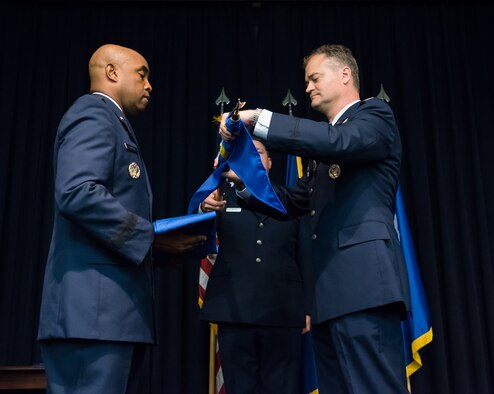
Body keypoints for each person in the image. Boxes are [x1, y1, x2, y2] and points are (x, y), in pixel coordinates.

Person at [219, 44, 411, 393]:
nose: (307, 87)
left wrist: (259, 118)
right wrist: (243, 182)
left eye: (314, 78)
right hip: (328, 299)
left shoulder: (375, 116)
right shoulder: (325, 154)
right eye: (306, 81)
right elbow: (291, 201)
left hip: (364, 289)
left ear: (344, 74)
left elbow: (338, 141)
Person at [37, 44, 205, 393]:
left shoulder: (114, 124)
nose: (150, 86)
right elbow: (77, 192)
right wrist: (150, 238)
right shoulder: (93, 115)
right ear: (112, 73)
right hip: (92, 317)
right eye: (142, 75)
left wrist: (160, 249)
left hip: (112, 318)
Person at [198, 137, 311, 393]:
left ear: (269, 163)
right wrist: (205, 210)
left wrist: (308, 307)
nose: (253, 157)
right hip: (234, 310)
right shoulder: (219, 197)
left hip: (283, 312)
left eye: (258, 152)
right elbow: (197, 237)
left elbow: (305, 254)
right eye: (247, 153)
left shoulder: (291, 201)